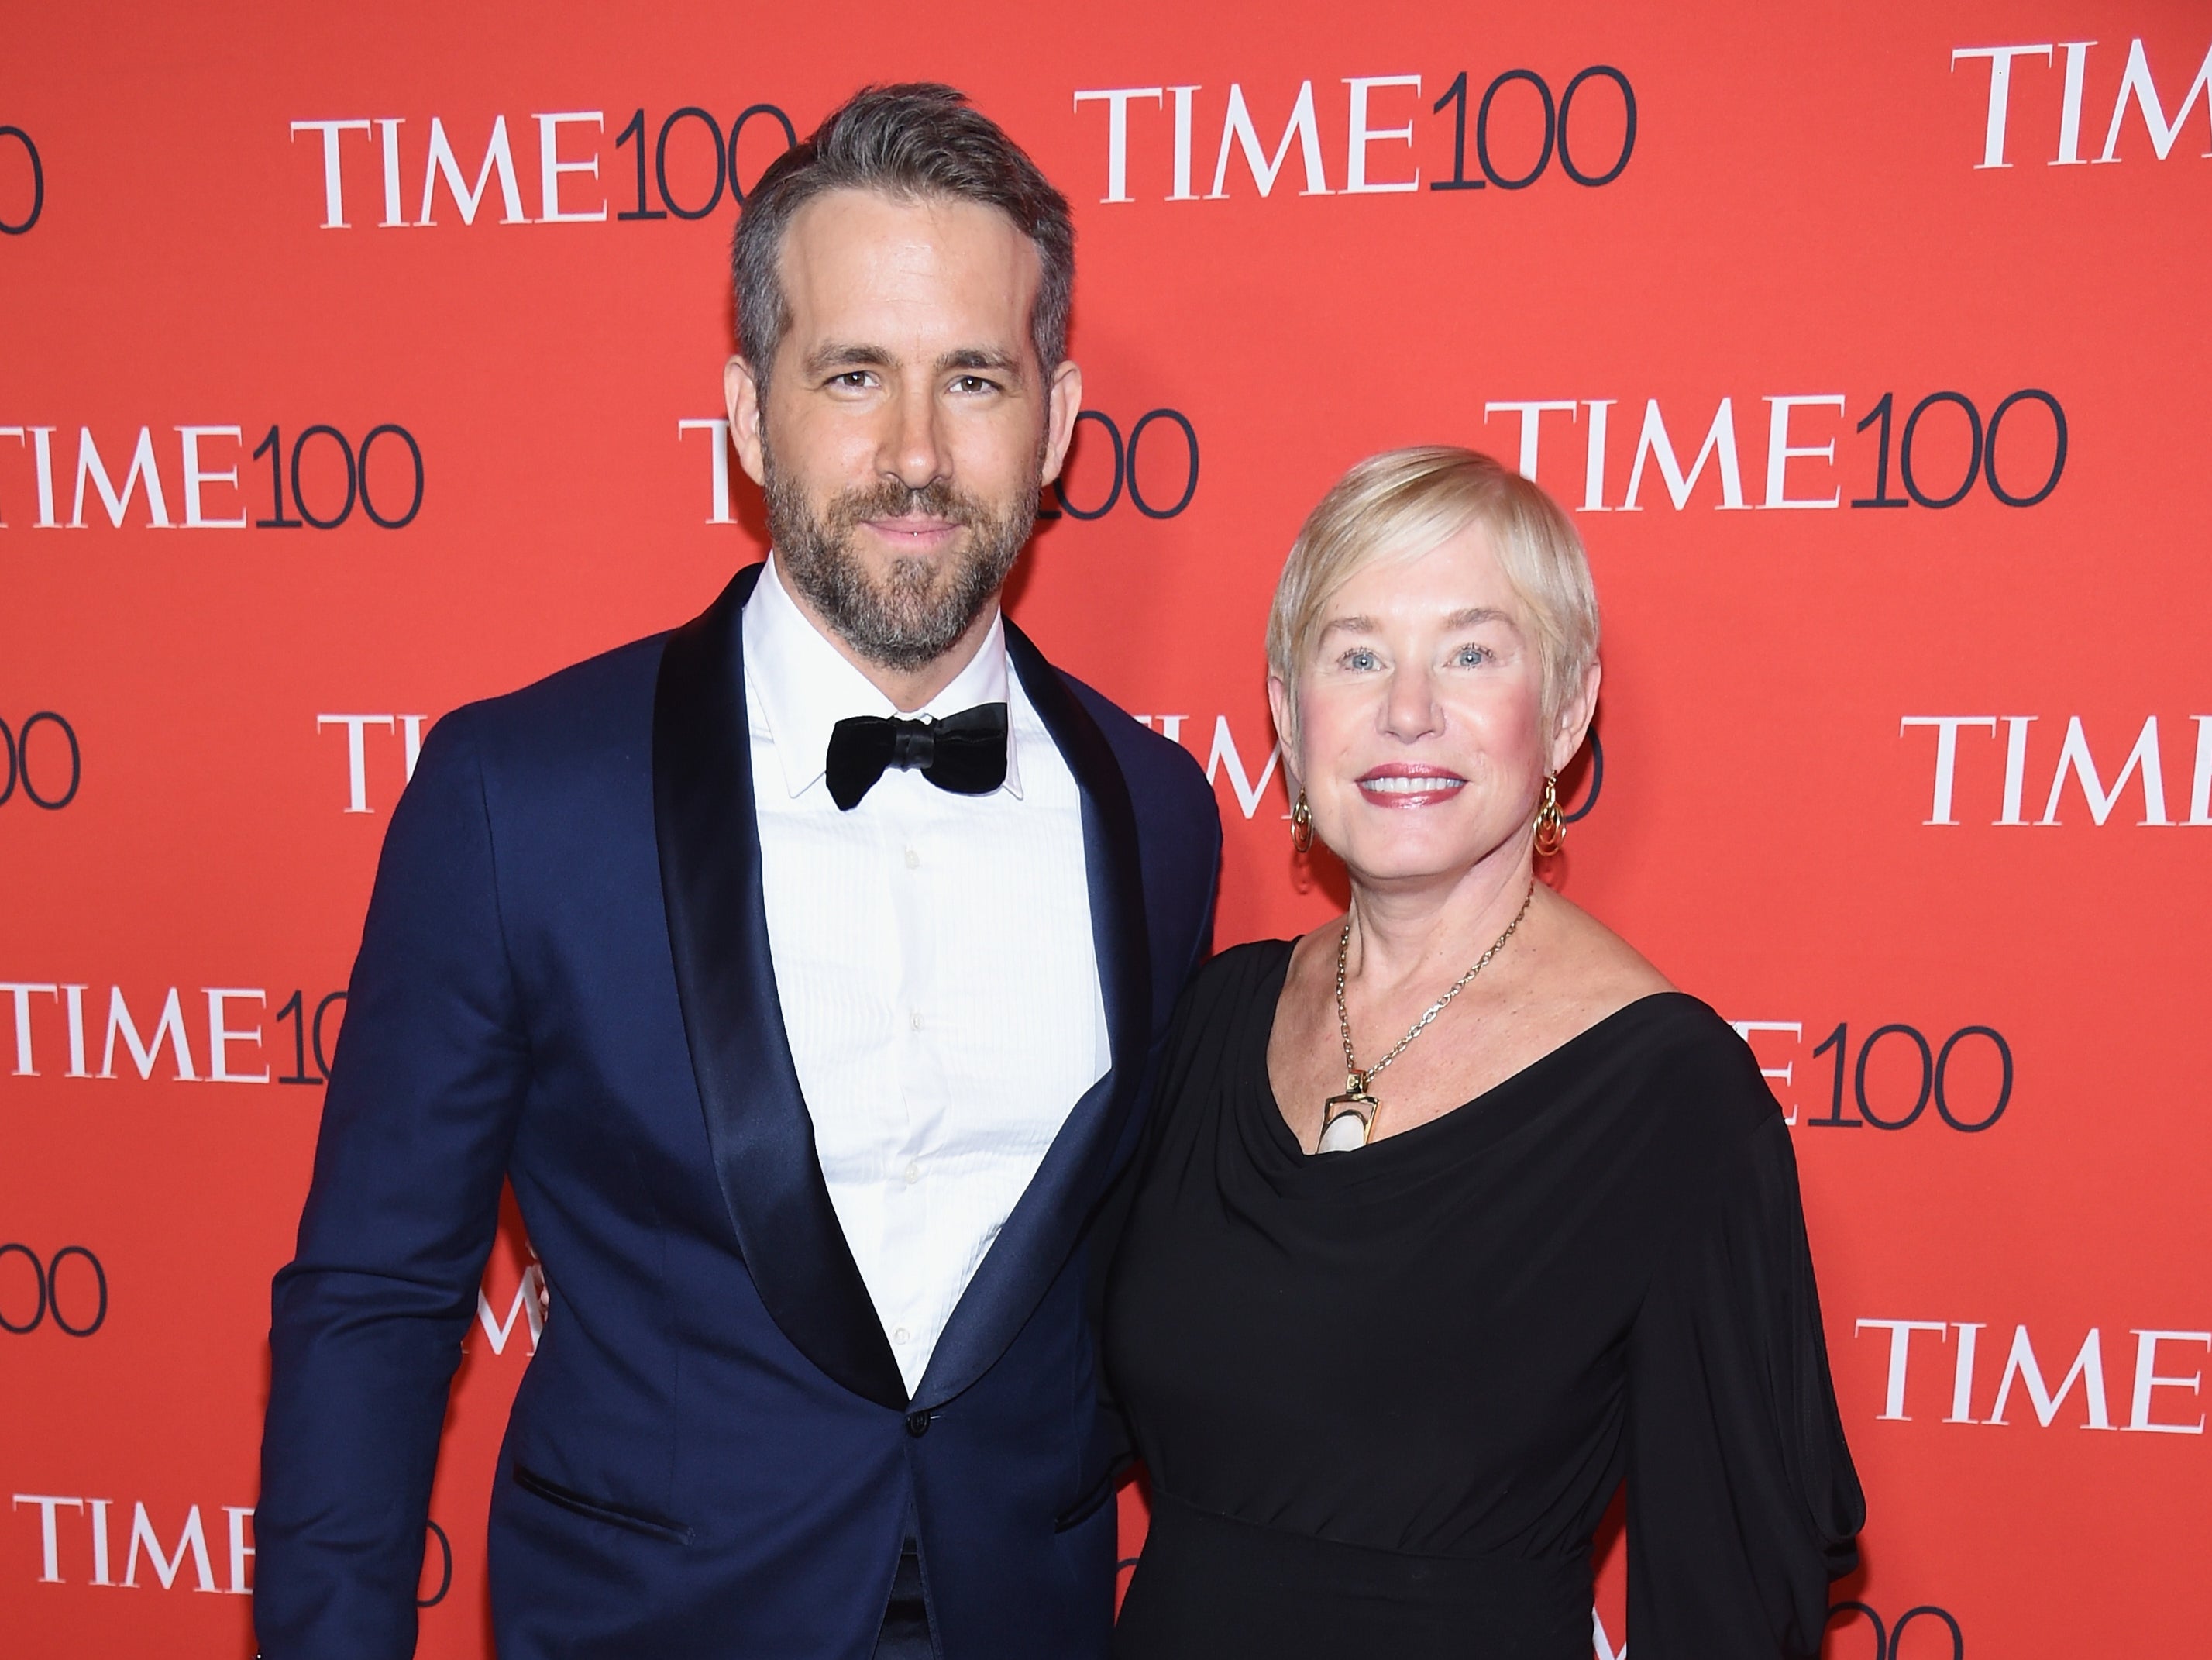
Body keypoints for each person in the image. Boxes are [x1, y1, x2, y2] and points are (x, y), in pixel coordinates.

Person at [254, 84, 1220, 1660]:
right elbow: (373, 1299)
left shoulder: (1156, 810)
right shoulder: (518, 795)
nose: (915, 453)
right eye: (854, 374)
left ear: (1054, 422)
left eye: (973, 377)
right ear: (749, 412)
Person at [1105, 447, 1863, 1658]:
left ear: (1565, 711)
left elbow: (1730, 1598)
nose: (1407, 710)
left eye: (1471, 652)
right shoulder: (1214, 1019)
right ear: (1287, 713)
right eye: (1356, 654)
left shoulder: (1668, 1096)